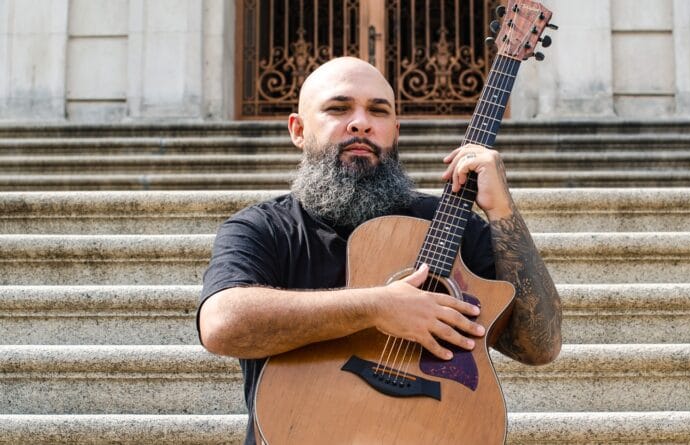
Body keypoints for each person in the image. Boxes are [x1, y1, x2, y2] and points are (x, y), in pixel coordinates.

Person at [197, 56, 562, 444]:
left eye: (378, 110)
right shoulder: (264, 228)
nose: (361, 123)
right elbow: (222, 325)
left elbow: (540, 345)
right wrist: (380, 306)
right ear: (298, 130)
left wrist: (502, 211)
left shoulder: (450, 222)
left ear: (395, 129)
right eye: (339, 108)